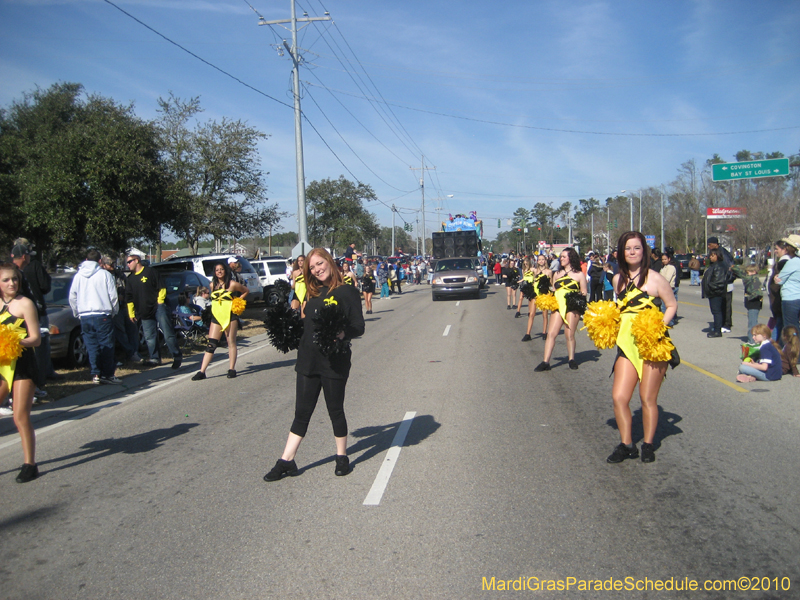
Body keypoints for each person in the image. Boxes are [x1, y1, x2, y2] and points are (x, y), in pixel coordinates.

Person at [264, 248, 365, 481]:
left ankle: (342, 457)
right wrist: (285, 326)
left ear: (329, 262)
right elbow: (306, 326)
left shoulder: (347, 291)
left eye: (320, 263)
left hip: (334, 361)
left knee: (335, 410)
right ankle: (286, 461)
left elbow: (358, 327)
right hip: (308, 359)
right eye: (312, 267)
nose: (317, 269)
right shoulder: (312, 292)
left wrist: (341, 334)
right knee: (302, 412)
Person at [606, 232, 676, 464]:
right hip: (627, 344)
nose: (632, 252)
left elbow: (671, 305)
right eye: (628, 248)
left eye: (637, 248)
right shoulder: (618, 280)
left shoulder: (656, 278)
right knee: (619, 397)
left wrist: (658, 328)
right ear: (621, 253)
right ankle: (627, 445)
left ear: (644, 251)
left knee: (647, 398)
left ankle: (647, 444)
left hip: (652, 344)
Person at [0, 262, 42, 482]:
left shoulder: (25, 304)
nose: (11, 283)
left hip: (22, 365)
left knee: (19, 415)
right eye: (6, 280)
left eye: (14, 279)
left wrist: (15, 340)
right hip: (1, 366)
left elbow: (36, 338)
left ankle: (30, 464)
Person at [69, 249, 122, 385]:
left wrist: (77, 312)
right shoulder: (105, 275)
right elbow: (113, 296)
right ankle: (107, 374)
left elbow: (72, 296)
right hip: (102, 313)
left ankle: (96, 373)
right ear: (100, 261)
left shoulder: (78, 276)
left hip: (85, 315)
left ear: (86, 260)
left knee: (92, 346)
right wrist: (114, 311)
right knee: (106, 345)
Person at [191, 262, 249, 380]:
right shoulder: (212, 285)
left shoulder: (232, 284)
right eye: (217, 270)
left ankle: (232, 369)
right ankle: (202, 371)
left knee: (230, 342)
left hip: (230, 316)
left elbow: (245, 290)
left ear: (225, 271)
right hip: (216, 317)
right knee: (211, 343)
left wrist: (237, 301)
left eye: (222, 269)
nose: (219, 272)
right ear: (215, 272)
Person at [124, 254, 182, 368]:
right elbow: (129, 298)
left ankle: (176, 355)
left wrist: (160, 301)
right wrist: (131, 313)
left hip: (157, 307)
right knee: (150, 337)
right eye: (127, 262)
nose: (128, 264)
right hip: (144, 311)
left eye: (129, 262)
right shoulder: (130, 279)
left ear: (137, 261)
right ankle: (155, 358)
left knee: (167, 333)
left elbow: (162, 287)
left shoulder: (151, 272)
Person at [534, 247, 587, 371]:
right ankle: (545, 361)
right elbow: (554, 289)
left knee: (569, 334)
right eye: (561, 257)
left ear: (571, 258)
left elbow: (584, 291)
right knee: (551, 333)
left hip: (572, 306)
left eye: (564, 256)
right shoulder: (556, 274)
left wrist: (578, 299)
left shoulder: (579, 274)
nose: (561, 259)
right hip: (558, 305)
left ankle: (571, 359)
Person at [101, 256, 140, 364]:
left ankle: (134, 352)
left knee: (132, 329)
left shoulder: (120, 274)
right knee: (120, 332)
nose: (112, 266)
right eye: (110, 264)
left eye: (113, 264)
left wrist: (125, 297)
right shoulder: (102, 276)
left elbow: (128, 287)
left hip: (125, 306)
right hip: (113, 308)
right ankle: (130, 352)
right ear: (104, 265)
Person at [767, 239, 795, 341]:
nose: (775, 251)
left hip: (781, 299)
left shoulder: (784, 262)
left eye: (777, 249)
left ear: (785, 249)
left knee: (781, 325)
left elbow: (780, 282)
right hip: (778, 298)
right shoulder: (784, 261)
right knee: (780, 324)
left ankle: (773, 347)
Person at [773, 235, 800, 339]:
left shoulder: (793, 262)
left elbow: (780, 279)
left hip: (790, 298)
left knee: (791, 328)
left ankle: (794, 353)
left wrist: (776, 277)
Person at [707, 237, 735, 333]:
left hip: (725, 283)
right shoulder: (716, 253)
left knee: (726, 304)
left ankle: (727, 324)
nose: (708, 246)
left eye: (710, 244)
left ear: (716, 244)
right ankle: (721, 323)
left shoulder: (722, 253)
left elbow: (730, 267)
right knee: (720, 305)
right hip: (721, 283)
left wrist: (728, 279)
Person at [730, 263, 763, 344]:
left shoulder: (751, 278)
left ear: (753, 271)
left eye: (748, 271)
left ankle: (752, 341)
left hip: (753, 303)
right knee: (753, 322)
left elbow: (740, 273)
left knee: (752, 324)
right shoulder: (754, 278)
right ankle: (754, 339)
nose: (747, 273)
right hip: (755, 303)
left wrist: (733, 267)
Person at [521, 255, 551, 342]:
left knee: (544, 315)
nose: (541, 261)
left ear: (545, 261)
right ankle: (528, 333)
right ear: (537, 261)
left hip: (544, 294)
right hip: (535, 294)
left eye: (543, 259)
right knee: (531, 314)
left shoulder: (549, 271)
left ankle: (544, 332)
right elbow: (526, 268)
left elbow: (551, 284)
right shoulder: (535, 270)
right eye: (539, 259)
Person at [701, 248, 727, 338]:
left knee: (717, 312)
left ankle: (717, 331)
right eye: (710, 256)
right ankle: (716, 328)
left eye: (712, 255)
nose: (710, 257)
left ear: (717, 255)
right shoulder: (713, 265)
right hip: (713, 293)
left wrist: (711, 287)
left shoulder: (719, 266)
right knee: (715, 312)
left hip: (716, 293)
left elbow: (718, 282)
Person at [659, 253, 677, 327]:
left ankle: (669, 322)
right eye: (662, 259)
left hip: (668, 288)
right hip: (663, 288)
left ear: (669, 259)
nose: (664, 261)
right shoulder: (664, 267)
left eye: (665, 259)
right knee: (663, 306)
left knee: (666, 307)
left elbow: (667, 279)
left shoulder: (671, 267)